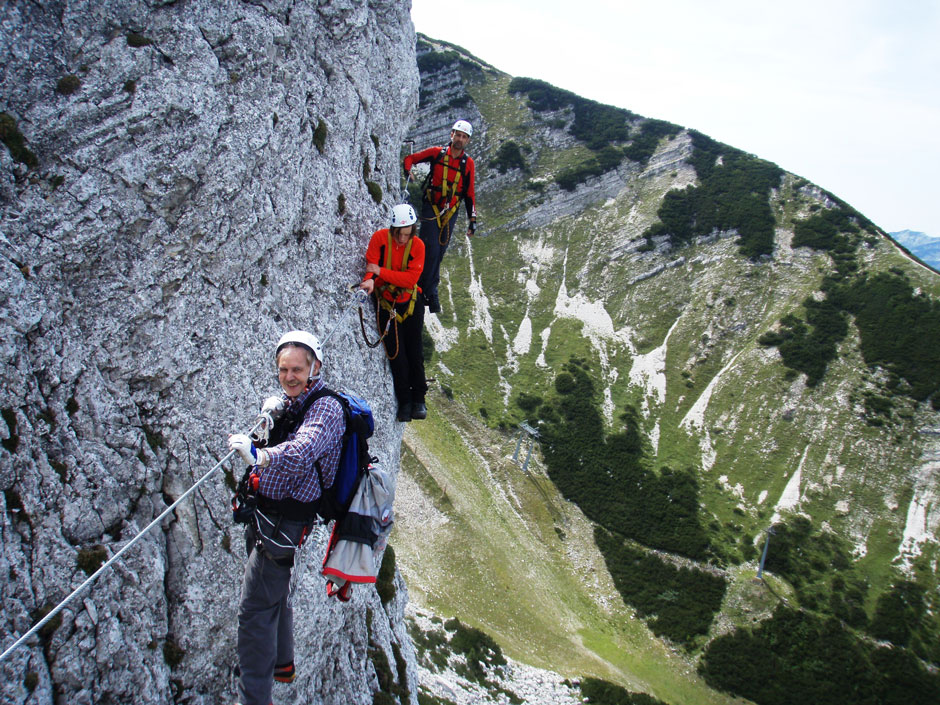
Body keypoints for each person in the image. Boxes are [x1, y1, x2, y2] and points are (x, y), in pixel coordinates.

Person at [227, 331, 345, 705]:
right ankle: (280, 663)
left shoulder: (327, 409)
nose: (289, 376)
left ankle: (254, 696)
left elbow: (302, 450)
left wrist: (260, 457)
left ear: (315, 368)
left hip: (284, 523)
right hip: (266, 514)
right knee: (271, 595)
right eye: (283, 370)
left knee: (254, 611)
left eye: (297, 369)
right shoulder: (291, 402)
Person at [360, 204, 428, 422]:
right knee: (396, 356)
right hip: (387, 304)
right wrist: (369, 280)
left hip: (410, 304)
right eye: (399, 234)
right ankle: (405, 403)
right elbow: (370, 270)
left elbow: (410, 280)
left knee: (415, 352)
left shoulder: (417, 246)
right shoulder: (380, 239)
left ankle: (419, 399)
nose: (402, 239)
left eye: (407, 234)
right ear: (392, 230)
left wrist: (379, 272)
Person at [402, 119, 477, 314]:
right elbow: (411, 159)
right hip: (431, 207)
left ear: (467, 140)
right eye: (458, 135)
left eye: (464, 137)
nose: (460, 139)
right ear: (451, 135)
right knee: (431, 249)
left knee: (440, 251)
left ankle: (426, 289)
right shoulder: (437, 153)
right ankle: (428, 290)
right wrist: (408, 171)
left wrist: (472, 219)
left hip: (450, 212)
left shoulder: (468, 164)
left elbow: (469, 193)